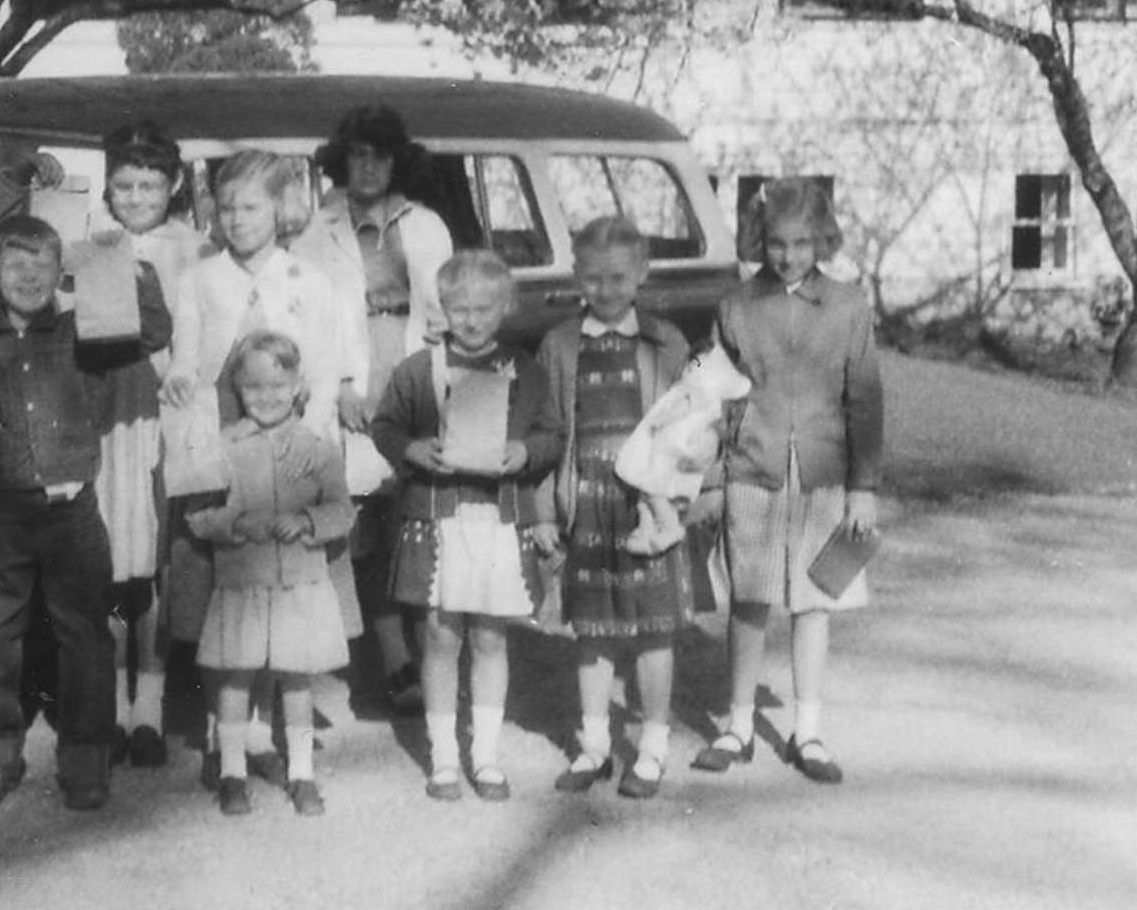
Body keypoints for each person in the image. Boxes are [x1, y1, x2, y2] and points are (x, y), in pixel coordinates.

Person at [163, 149, 360, 786]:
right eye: (227, 208)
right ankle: (233, 724)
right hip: (224, 436)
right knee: (229, 585)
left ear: (281, 209)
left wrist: (310, 441)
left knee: (281, 586)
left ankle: (269, 721)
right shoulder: (201, 278)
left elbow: (325, 371)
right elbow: (188, 361)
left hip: (289, 442)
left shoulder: (308, 280)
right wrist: (180, 385)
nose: (238, 219)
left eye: (252, 206)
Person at [0, 214, 170, 812]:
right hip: (2, 516)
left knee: (85, 634)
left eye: (42, 265)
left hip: (73, 510)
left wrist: (128, 271)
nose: (28, 277)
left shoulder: (89, 332)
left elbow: (153, 331)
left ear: (61, 272)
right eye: (14, 266)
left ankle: (86, 758)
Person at [693, 179, 883, 784]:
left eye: (802, 243)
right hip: (753, 468)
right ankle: (739, 725)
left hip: (824, 475)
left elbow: (866, 401)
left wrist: (864, 486)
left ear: (822, 240)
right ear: (760, 241)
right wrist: (708, 477)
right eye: (777, 243)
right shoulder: (738, 306)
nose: (789, 256)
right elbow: (709, 396)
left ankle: (808, 730)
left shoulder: (850, 307)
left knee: (814, 601)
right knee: (748, 601)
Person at [371, 251, 556, 800]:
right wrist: (412, 448)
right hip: (439, 517)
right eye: (459, 309)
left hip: (497, 520)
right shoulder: (418, 370)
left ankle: (488, 755)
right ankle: (445, 756)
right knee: (439, 634)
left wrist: (524, 452)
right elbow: (385, 426)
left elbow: (552, 435)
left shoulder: (525, 369)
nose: (471, 320)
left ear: (506, 307)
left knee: (491, 635)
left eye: (483, 309)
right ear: (441, 308)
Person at [530, 218, 694, 799]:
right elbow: (547, 434)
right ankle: (595, 744)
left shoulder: (667, 342)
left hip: (647, 508)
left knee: (654, 629)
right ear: (576, 275)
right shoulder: (559, 344)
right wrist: (545, 511)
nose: (605, 289)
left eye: (618, 278)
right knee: (592, 630)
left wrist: (677, 499)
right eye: (593, 278)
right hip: (588, 503)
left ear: (642, 274)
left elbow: (694, 426)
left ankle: (651, 745)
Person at [301, 105, 455, 716]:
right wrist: (340, 385)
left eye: (380, 155)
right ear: (343, 162)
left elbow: (444, 309)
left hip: (415, 371)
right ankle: (395, 662)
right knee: (369, 529)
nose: (368, 167)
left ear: (396, 162)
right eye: (358, 155)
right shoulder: (320, 231)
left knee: (418, 518)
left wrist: (440, 384)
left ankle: (433, 655)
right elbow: (313, 320)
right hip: (354, 378)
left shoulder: (426, 226)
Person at [185, 332, 357, 817]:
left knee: (296, 682)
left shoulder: (317, 448)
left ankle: (302, 773)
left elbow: (343, 512)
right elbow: (197, 514)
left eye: (279, 386)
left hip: (298, 585)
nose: (267, 397)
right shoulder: (222, 447)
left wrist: (307, 523)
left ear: (299, 386)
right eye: (253, 387)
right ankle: (233, 772)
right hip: (241, 584)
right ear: (237, 389)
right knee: (236, 680)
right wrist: (232, 525)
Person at [78, 120, 205, 769]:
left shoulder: (191, 248)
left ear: (174, 184)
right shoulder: (90, 237)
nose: (133, 198)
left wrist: (181, 369)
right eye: (123, 185)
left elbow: (196, 328)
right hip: (104, 413)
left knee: (151, 556)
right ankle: (109, 702)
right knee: (108, 557)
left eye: (148, 185)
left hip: (158, 411)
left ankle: (148, 707)